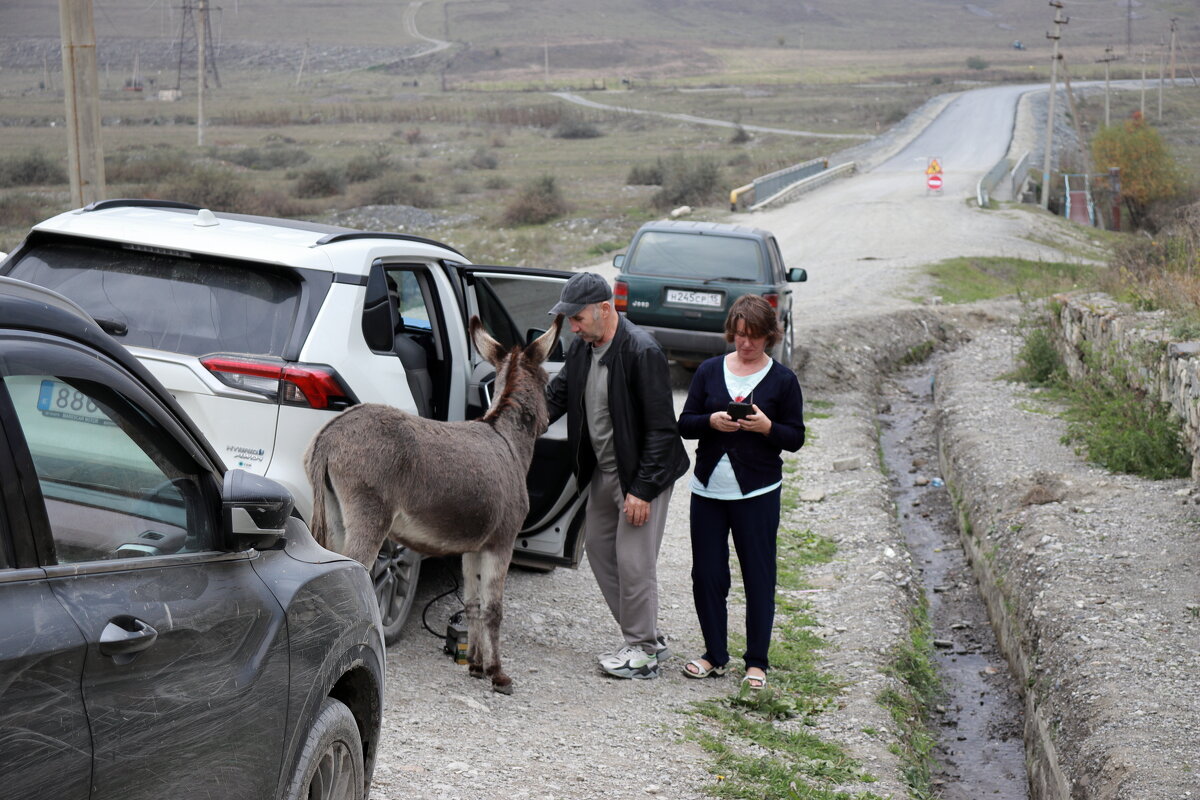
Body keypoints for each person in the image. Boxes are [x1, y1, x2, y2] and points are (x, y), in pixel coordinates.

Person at [545, 272, 690, 680]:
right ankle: (644, 636)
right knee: (600, 552)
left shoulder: (642, 352)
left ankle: (642, 651)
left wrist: (641, 491)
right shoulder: (581, 349)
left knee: (634, 561)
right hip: (605, 472)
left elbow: (663, 430)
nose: (572, 326)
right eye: (570, 319)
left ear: (604, 309)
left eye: (577, 318)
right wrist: (515, 423)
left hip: (643, 475)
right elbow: (556, 398)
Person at [677, 294, 805, 690]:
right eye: (738, 335)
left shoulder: (783, 381)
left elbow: (796, 438)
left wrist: (767, 427)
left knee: (758, 575)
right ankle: (715, 655)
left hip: (759, 492)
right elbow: (685, 423)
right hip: (708, 491)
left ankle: (757, 663)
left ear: (770, 335)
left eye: (753, 336)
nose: (745, 343)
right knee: (708, 575)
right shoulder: (709, 371)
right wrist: (711, 421)